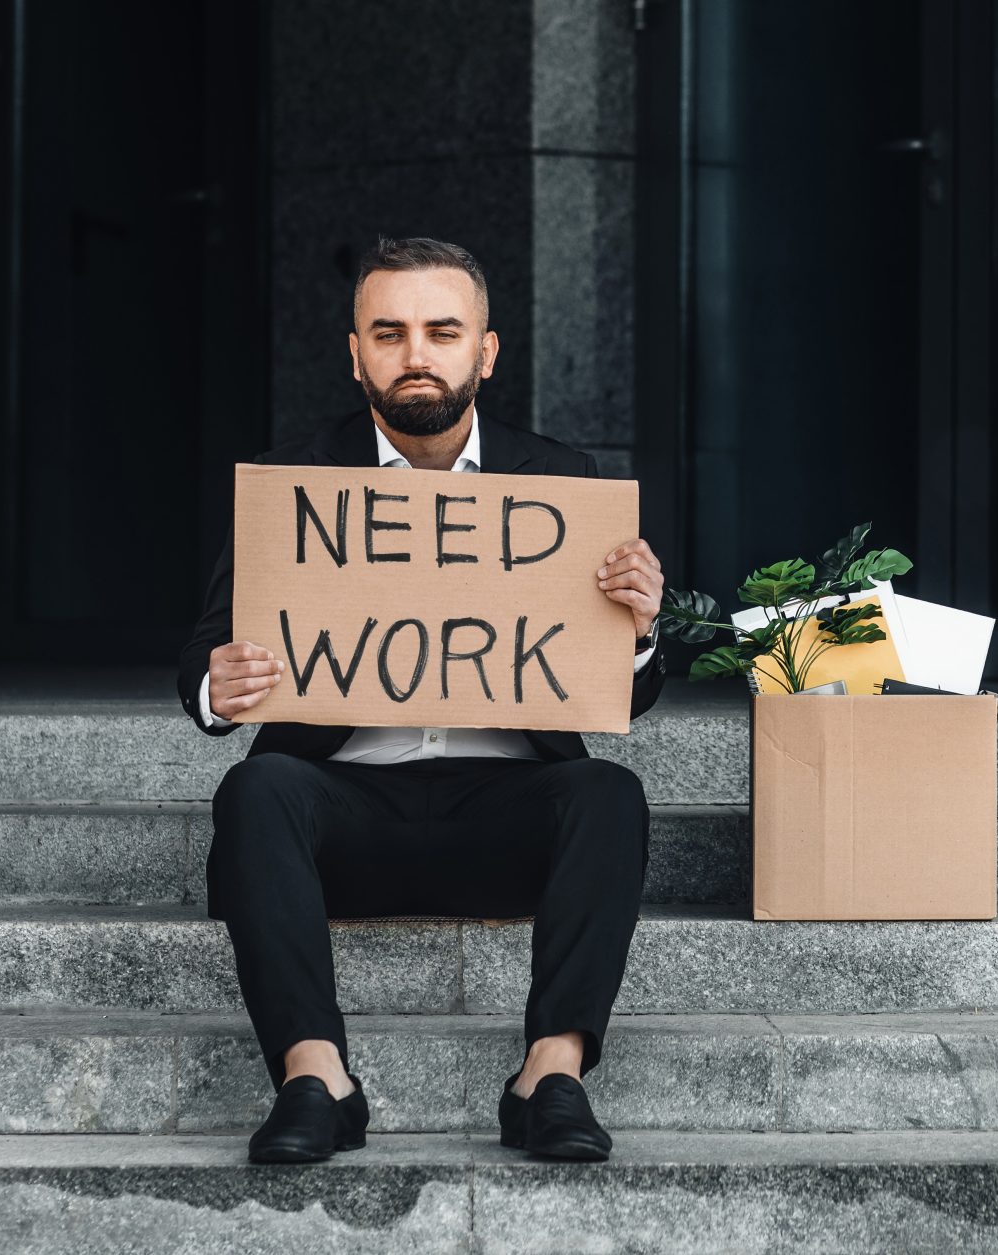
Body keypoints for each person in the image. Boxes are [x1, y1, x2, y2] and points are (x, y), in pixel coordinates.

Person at [177, 236, 665, 1166]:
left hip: (505, 816)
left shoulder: (563, 480)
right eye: (389, 332)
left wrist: (638, 630)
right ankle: (316, 1080)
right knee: (257, 788)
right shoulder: (294, 482)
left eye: (442, 331)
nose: (416, 354)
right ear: (353, 352)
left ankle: (550, 1076)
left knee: (610, 793)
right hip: (344, 814)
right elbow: (203, 657)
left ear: (484, 351)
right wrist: (219, 687)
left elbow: (624, 698)